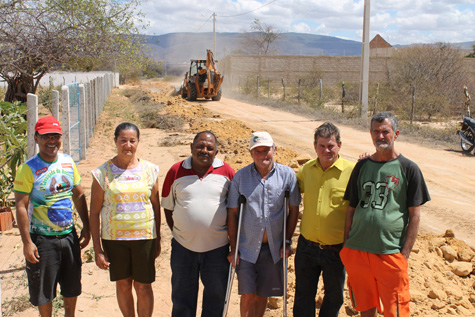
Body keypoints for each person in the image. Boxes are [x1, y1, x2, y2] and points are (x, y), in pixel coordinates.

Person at [340, 112, 431, 317]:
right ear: (370, 134)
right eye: (376, 131)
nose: (380, 136)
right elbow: (352, 208)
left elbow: (414, 215)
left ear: (395, 134)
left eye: (385, 131)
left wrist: (404, 254)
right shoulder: (362, 166)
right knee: (365, 306)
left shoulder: (408, 169)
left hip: (389, 252)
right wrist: (346, 245)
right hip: (358, 251)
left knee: (396, 310)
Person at [13, 116, 90, 317]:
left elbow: (78, 194)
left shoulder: (67, 162)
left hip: (68, 236)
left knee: (72, 287)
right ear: (36, 138)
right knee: (44, 293)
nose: (52, 141)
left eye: (56, 136)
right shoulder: (27, 168)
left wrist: (87, 226)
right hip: (42, 240)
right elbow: (21, 206)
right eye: (47, 136)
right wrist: (27, 242)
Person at [89, 122, 161, 317]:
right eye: (123, 140)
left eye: (132, 141)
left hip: (144, 239)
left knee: (144, 286)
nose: (127, 145)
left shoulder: (150, 171)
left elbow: (155, 205)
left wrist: (158, 239)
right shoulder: (101, 173)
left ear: (138, 142)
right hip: (115, 241)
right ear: (115, 141)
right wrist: (97, 249)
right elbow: (94, 212)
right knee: (123, 284)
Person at [161, 131, 235, 317]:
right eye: (200, 146)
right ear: (191, 148)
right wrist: (182, 231)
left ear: (216, 151)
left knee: (216, 299)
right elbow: (168, 208)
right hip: (183, 248)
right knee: (182, 299)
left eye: (210, 148)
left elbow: (234, 210)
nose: (204, 150)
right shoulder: (175, 171)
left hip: (217, 250)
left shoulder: (227, 172)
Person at [227, 131, 300, 317]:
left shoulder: (287, 175)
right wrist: (233, 247)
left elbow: (293, 210)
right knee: (248, 294)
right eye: (257, 151)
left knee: (263, 295)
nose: (262, 155)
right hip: (247, 248)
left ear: (274, 150)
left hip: (274, 248)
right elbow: (233, 213)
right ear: (251, 154)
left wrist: (287, 241)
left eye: (266, 150)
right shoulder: (241, 177)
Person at [293, 122, 355, 317]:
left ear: (339, 145)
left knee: (334, 297)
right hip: (306, 247)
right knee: (303, 295)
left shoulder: (352, 172)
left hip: (336, 249)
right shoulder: (306, 170)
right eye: (322, 146)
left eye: (331, 145)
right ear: (315, 147)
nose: (326, 150)